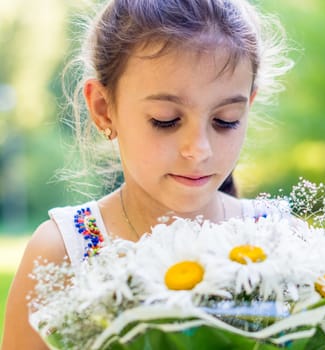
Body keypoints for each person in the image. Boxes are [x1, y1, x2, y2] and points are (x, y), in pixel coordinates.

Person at [1, 0, 292, 348]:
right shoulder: (63, 251)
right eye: (165, 119)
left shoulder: (282, 241)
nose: (199, 149)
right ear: (103, 108)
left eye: (225, 120)